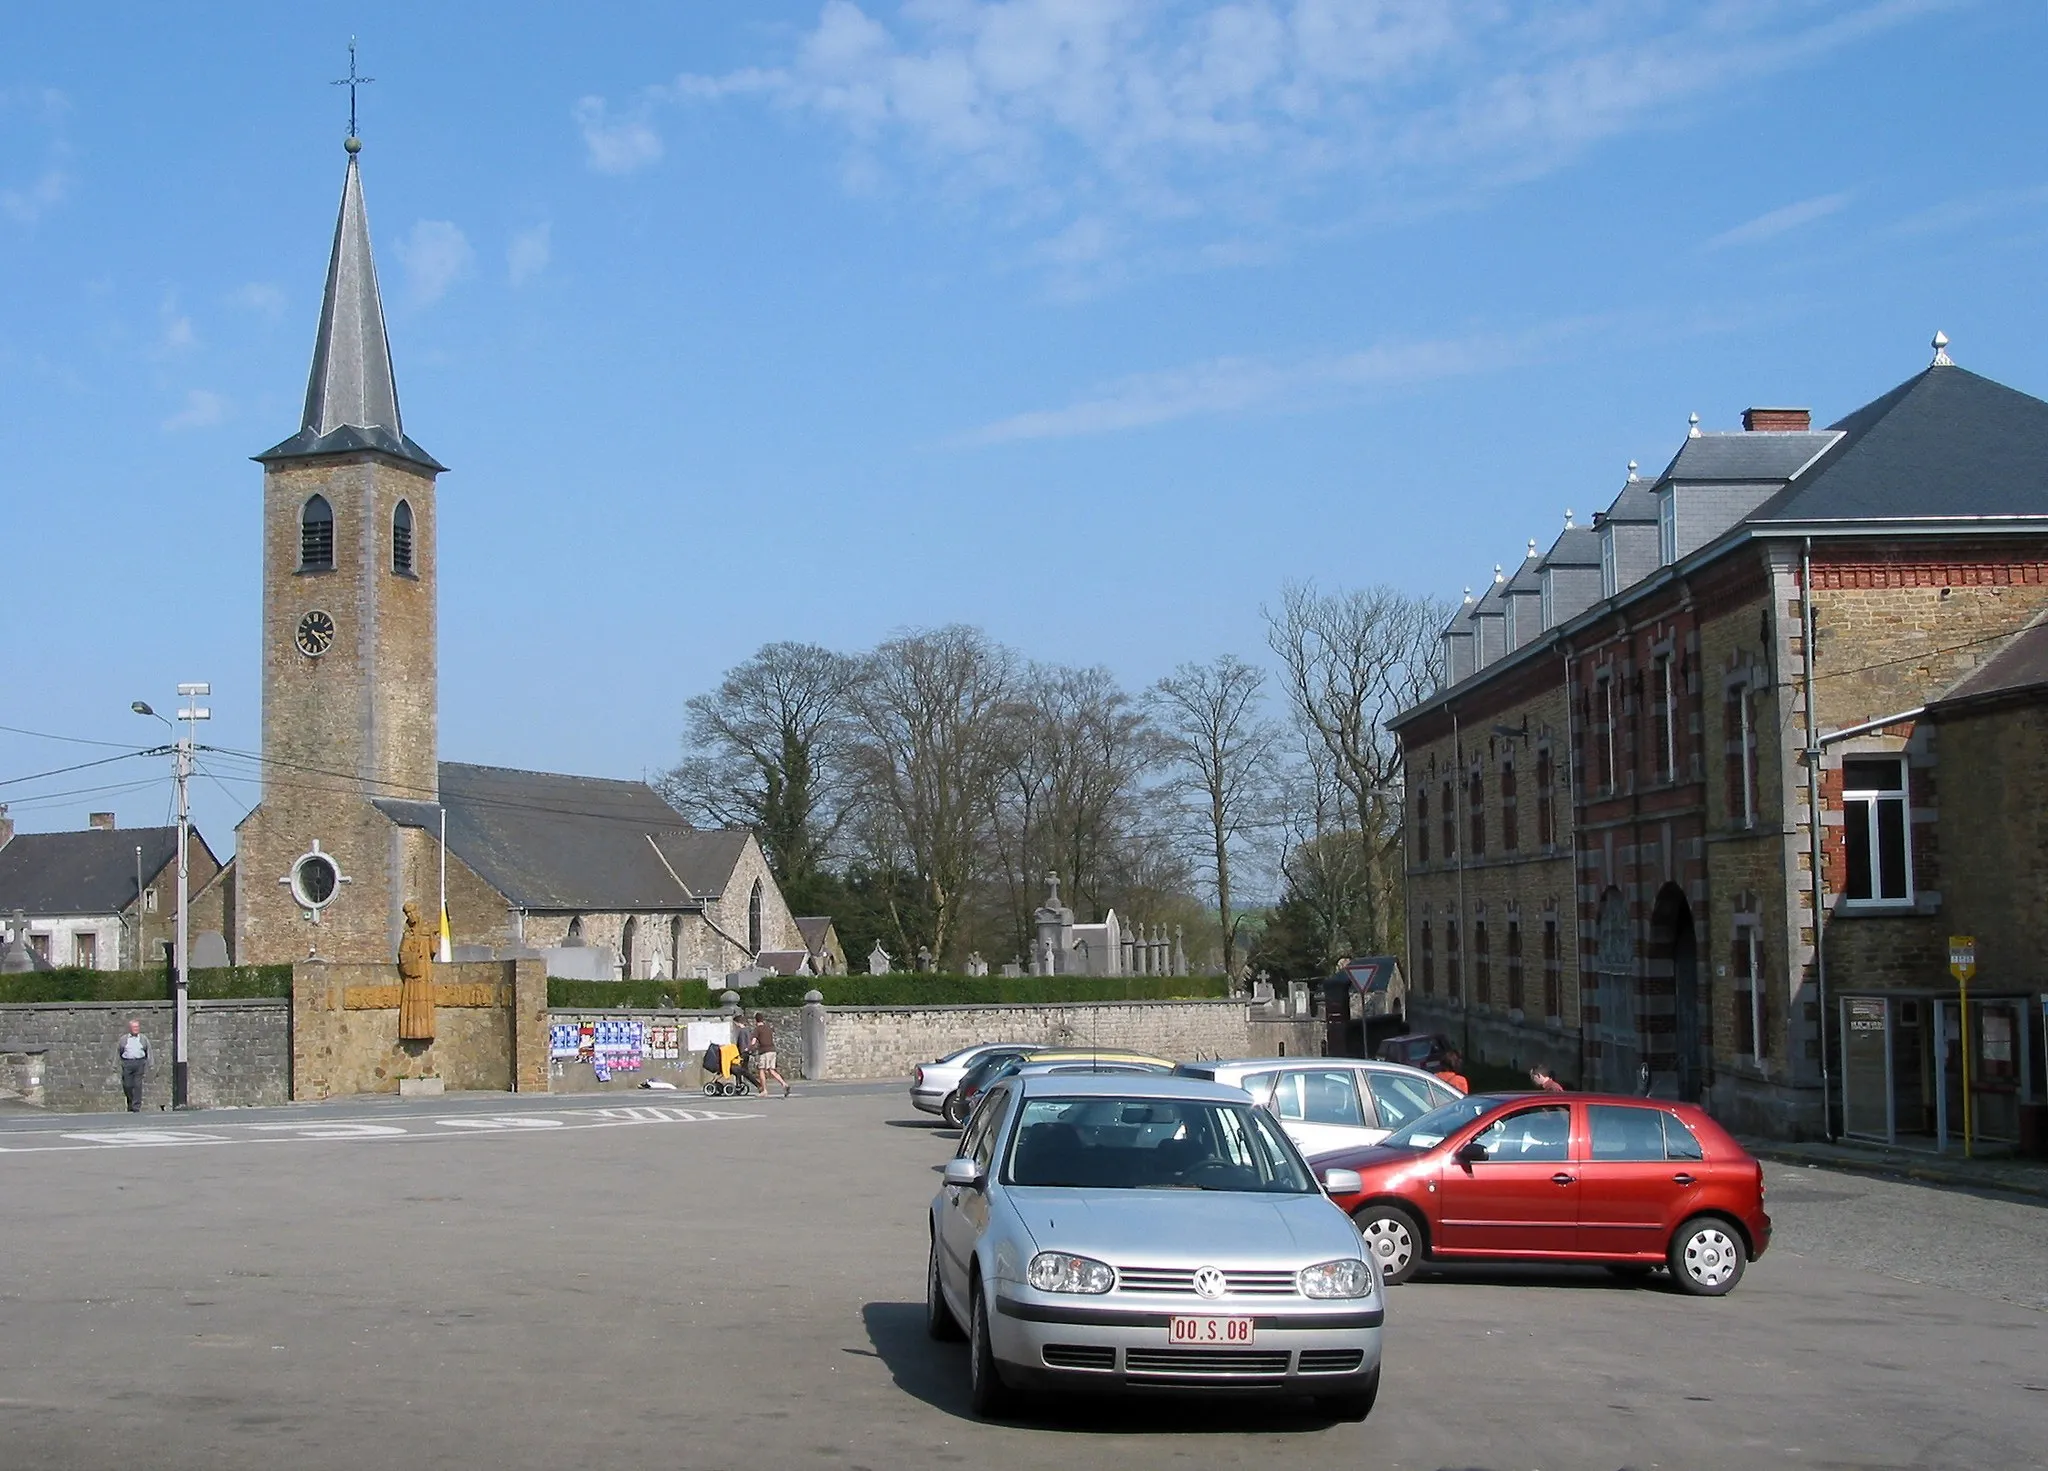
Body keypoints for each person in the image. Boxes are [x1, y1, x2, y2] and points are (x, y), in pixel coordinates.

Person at [753, 1011, 790, 1098]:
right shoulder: (768, 1028)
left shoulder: (757, 1029)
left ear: (756, 1020)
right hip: (772, 1050)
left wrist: (749, 1048)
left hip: (764, 1051)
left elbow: (753, 1041)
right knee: (771, 1070)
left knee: (761, 1070)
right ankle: (784, 1084)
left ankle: (764, 1090)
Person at [118, 1019, 149, 1112]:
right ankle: (130, 1102)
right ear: (130, 1028)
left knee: (138, 1085)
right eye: (134, 1027)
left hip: (139, 1063)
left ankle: (136, 1106)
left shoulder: (143, 1039)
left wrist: (149, 1063)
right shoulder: (124, 1039)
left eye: (137, 1027)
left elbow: (148, 1051)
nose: (136, 1029)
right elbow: (119, 1050)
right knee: (127, 1085)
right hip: (127, 1063)